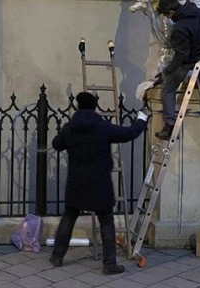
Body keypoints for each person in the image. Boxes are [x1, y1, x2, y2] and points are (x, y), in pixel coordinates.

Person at [49, 92, 148, 274]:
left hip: (76, 181)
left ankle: (57, 256)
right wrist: (141, 120)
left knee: (69, 216)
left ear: (78, 106)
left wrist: (66, 134)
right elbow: (129, 133)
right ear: (95, 106)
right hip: (100, 181)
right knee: (106, 220)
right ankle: (109, 264)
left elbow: (56, 144)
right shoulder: (103, 127)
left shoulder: (70, 128)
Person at [153, 0, 200, 140]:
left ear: (170, 12)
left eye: (166, 16)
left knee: (168, 90)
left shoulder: (180, 27)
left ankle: (170, 127)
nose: (168, 19)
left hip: (190, 61)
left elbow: (181, 55)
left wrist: (166, 72)